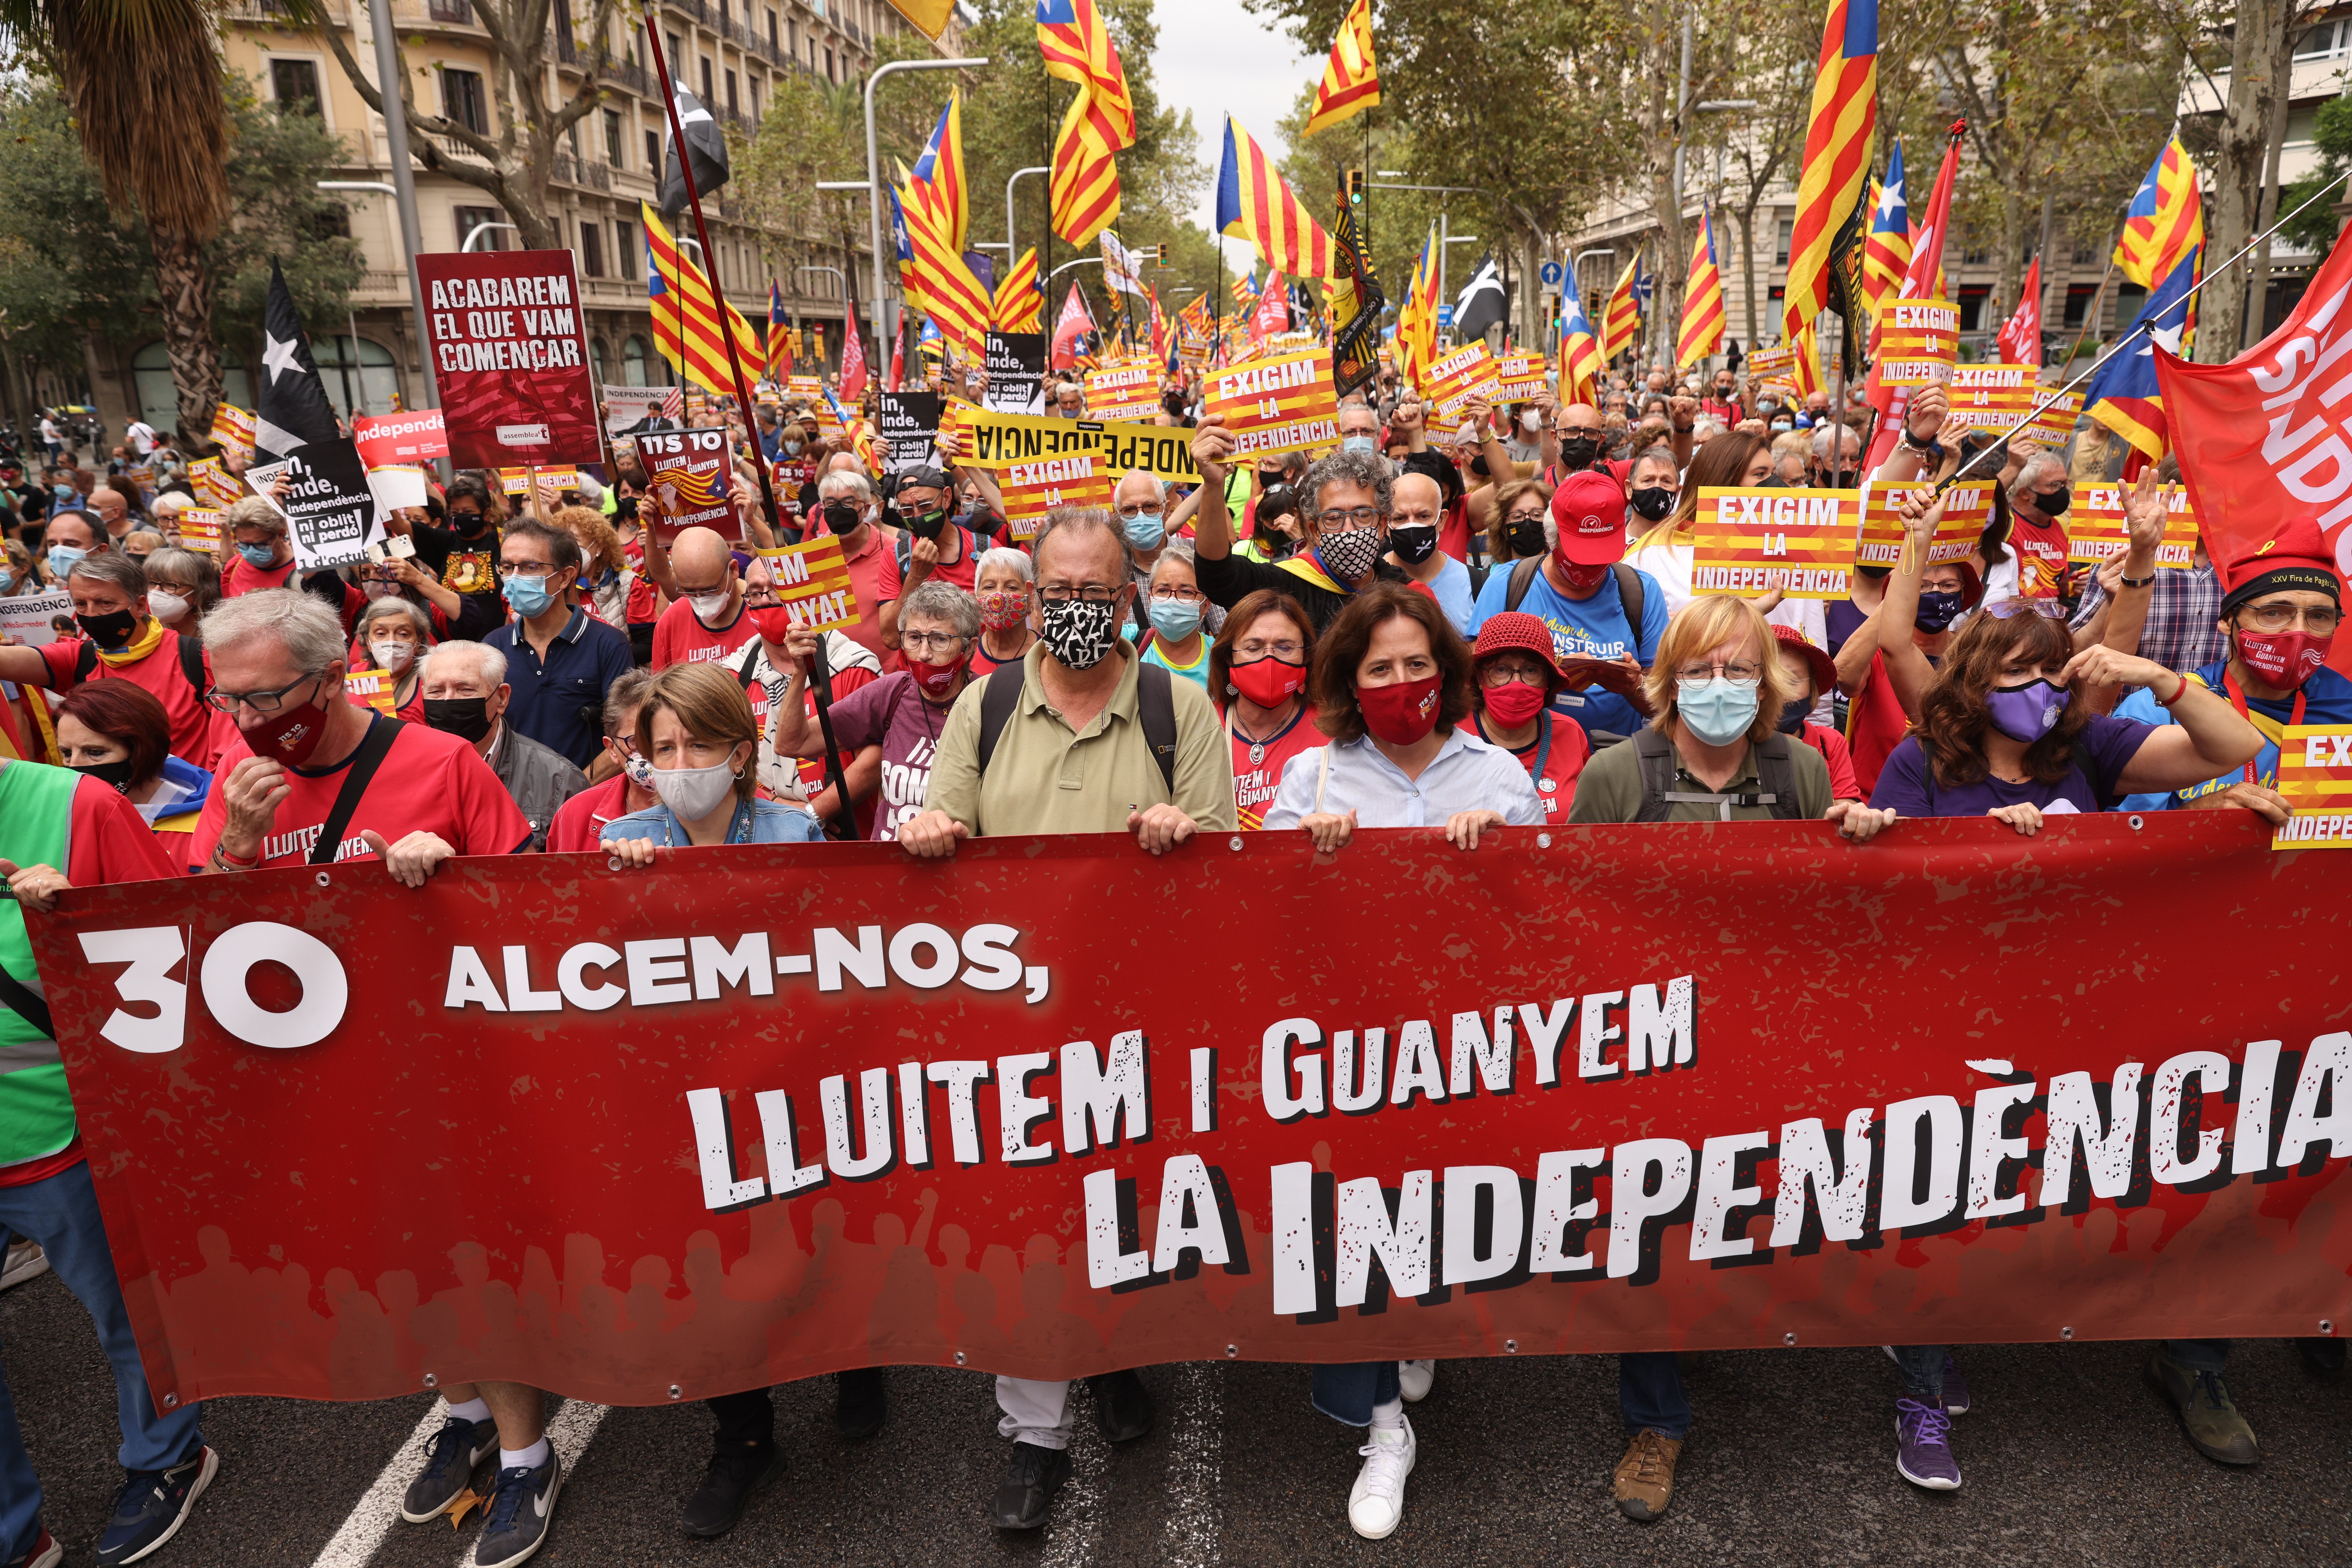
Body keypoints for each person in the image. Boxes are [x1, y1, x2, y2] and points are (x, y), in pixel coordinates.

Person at [898, 507, 1232, 1531]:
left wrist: (1191, 831)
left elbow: (1229, 871)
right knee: (1024, 1229)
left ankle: (1110, 1362)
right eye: (1060, 593)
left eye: (1097, 592)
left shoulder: (1181, 712)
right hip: (1013, 1031)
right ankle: (1033, 1437)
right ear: (1031, 600)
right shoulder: (986, 707)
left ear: (1128, 597)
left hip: (1141, 1030)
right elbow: (941, 827)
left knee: (1126, 1220)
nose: (1076, 609)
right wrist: (926, 829)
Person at [1564, 593, 1892, 1521]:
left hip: (1761, 1040)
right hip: (1650, 1050)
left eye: (1737, 670)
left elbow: (1826, 914)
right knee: (1650, 1226)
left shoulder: (1797, 774)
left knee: (1730, 1211)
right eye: (1700, 670)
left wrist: (1855, 845)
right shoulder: (1618, 776)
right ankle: (1654, 1418)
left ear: (1767, 686)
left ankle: (1695, 1328)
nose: (1719, 688)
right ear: (1668, 682)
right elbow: (1575, 918)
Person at [1257, 583, 1540, 1540]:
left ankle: (1416, 1324)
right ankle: (1381, 1426)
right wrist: (1301, 862)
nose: (1400, 681)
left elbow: (1550, 917)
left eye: (1417, 663)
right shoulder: (1314, 780)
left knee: (1434, 1208)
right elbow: (1258, 917)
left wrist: (1503, 856)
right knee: (1349, 1227)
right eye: (1378, 667)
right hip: (1346, 1049)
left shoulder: (1496, 776)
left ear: (1445, 670)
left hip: (1462, 1051)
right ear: (1347, 678)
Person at [0, 754, 215, 1568]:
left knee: (130, 1318)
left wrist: (80, 916)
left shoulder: (75, 802)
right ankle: (15, 1538)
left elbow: (178, 942)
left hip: (65, 1135)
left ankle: (170, 1457)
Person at [1468, 471, 1667, 746]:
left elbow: (1664, 706)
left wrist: (1633, 687)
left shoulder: (1641, 592)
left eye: (1602, 555)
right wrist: (1543, 675)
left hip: (1614, 755)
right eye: (1580, 554)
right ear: (1552, 537)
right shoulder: (1509, 584)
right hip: (1524, 751)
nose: (1591, 566)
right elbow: (1473, 679)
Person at [770, 578, 976, 842]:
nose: (923, 654)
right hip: (888, 871)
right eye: (914, 638)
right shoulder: (893, 693)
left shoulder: (985, 702)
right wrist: (800, 671)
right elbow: (792, 743)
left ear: (969, 648)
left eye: (939, 640)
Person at [0, 551, 230, 771]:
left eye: (105, 603)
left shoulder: (197, 657)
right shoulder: (78, 658)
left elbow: (227, 749)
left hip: (183, 806)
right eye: (81, 604)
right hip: (108, 804)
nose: (91, 614)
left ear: (140, 606)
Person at [601, 663, 825, 859]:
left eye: (699, 745)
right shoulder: (623, 841)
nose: (681, 765)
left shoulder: (795, 836)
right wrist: (627, 883)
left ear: (739, 756)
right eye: (665, 748)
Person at [1191, 433, 1409, 632]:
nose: (1349, 530)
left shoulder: (1408, 594)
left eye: (1362, 515)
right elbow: (1217, 577)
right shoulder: (1289, 586)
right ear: (1314, 531)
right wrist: (1213, 484)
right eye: (1333, 518)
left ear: (1381, 526)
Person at [483, 520, 634, 770]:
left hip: (584, 798)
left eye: (530, 567)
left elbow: (628, 736)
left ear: (565, 576)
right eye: (507, 567)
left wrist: (576, 790)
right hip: (513, 799)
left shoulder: (608, 644)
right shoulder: (493, 647)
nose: (515, 578)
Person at [417, 640, 586, 854]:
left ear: (502, 698)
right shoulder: (402, 773)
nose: (449, 700)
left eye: (465, 689)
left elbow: (576, 876)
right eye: (436, 691)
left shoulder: (559, 779)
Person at [54, 680, 213, 866]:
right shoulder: (61, 819)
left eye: (95, 753)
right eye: (67, 753)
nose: (74, 766)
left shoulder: (210, 822)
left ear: (143, 751)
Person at [1209, 588, 1321, 829]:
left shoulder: (1331, 732)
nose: (1269, 660)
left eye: (1285, 647)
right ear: (1229, 657)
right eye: (1253, 648)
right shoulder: (1203, 726)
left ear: (1307, 656)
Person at [1464, 611, 1589, 819]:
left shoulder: (1571, 734)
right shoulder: (1450, 736)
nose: (1516, 683)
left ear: (1547, 679)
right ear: (1480, 676)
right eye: (1501, 669)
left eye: (1531, 670)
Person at [545, 669, 656, 852]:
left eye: (660, 738)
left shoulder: (707, 807)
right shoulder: (576, 813)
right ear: (612, 749)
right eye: (636, 740)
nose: (652, 749)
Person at [1770, 624, 1861, 801]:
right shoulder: (1733, 744)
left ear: (1813, 689)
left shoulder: (1830, 742)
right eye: (1768, 679)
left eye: (1791, 680)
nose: (1780, 692)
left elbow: (1846, 804)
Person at [650, 526, 756, 670]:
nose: (700, 600)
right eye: (689, 592)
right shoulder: (670, 623)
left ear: (733, 570)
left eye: (710, 590)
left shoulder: (762, 609)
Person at [1138, 542, 1212, 689]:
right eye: (1163, 590)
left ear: (1205, 605)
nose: (1172, 600)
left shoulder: (1222, 658)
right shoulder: (1129, 647)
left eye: (1186, 592)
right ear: (1150, 598)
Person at [353, 598, 434, 722]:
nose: (391, 641)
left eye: (403, 634)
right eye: (381, 633)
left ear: (418, 641)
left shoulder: (432, 681)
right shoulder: (352, 676)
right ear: (368, 642)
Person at [969, 546, 1035, 674]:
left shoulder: (1046, 653)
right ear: (976, 598)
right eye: (989, 587)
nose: (999, 595)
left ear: (1031, 600)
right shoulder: (966, 655)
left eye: (1012, 587)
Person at [217, 497, 298, 597]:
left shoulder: (305, 571)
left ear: (280, 535)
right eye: (244, 544)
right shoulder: (233, 567)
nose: (251, 551)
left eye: (260, 544)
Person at [141, 546, 220, 632]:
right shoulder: (138, 629)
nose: (156, 591)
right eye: (151, 583)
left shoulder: (217, 632)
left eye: (170, 585)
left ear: (198, 591)